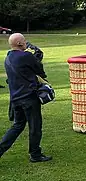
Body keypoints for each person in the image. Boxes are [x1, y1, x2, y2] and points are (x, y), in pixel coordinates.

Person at [0, 33, 52, 162]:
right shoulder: (26, 56)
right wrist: (37, 57)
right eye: (24, 40)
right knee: (35, 126)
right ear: (19, 43)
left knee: (17, 126)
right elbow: (41, 72)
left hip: (16, 98)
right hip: (29, 98)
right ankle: (35, 154)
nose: (26, 42)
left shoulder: (8, 57)